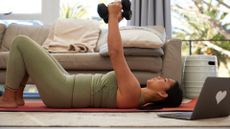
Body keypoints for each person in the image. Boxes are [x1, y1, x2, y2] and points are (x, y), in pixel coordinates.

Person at [0, 1, 183, 109]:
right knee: (35, 51)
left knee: (20, 42)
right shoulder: (135, 93)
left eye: (165, 80)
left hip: (62, 91)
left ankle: (9, 96)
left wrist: (112, 16)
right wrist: (114, 22)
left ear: (162, 94)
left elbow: (116, 52)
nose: (160, 77)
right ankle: (17, 96)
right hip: (64, 83)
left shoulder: (133, 93)